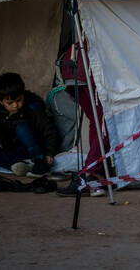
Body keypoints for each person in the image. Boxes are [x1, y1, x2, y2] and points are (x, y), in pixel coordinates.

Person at [56, 41, 109, 197]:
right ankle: (90, 174)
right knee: (105, 124)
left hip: (72, 64)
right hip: (88, 65)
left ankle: (91, 172)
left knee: (97, 120)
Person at [0, 73, 59, 177]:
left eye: (18, 100)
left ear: (23, 95)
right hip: (14, 151)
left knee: (21, 127)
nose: (15, 105)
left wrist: (50, 153)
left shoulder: (33, 107)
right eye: (10, 103)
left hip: (35, 149)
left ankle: (40, 163)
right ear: (0, 102)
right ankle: (23, 165)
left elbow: (49, 130)